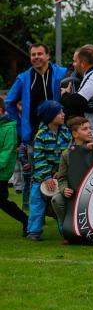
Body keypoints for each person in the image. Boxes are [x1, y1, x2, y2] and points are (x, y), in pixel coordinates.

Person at [5, 43, 69, 209]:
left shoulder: (62, 73)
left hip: (61, 134)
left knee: (62, 175)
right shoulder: (24, 78)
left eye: (40, 54)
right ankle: (36, 216)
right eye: (33, 55)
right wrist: (21, 126)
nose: (36, 57)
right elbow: (9, 102)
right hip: (34, 135)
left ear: (48, 56)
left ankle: (59, 211)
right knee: (38, 176)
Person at [26, 101, 71, 240]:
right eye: (59, 113)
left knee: (61, 205)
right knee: (37, 204)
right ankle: (34, 231)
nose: (63, 115)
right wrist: (46, 177)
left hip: (60, 177)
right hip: (41, 178)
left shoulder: (66, 133)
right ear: (50, 115)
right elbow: (39, 158)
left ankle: (66, 232)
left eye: (63, 112)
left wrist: (60, 172)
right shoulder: (41, 135)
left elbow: (68, 154)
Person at [50, 117, 93, 235]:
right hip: (74, 192)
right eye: (85, 129)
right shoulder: (66, 154)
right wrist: (64, 189)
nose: (89, 131)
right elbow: (62, 178)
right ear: (75, 134)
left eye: (90, 128)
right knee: (57, 199)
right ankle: (68, 230)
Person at [0, 99, 27, 235]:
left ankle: (26, 220)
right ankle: (26, 220)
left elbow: (7, 151)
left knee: (2, 201)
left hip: (2, 172)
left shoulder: (9, 127)